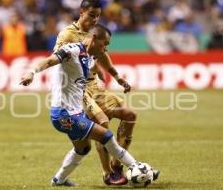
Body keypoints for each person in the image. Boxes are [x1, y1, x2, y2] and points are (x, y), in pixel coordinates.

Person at [20, 24, 154, 186]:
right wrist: (31, 72)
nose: (106, 49)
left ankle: (59, 180)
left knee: (83, 149)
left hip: (75, 112)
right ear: (94, 39)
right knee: (106, 136)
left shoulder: (89, 56)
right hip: (65, 114)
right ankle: (136, 166)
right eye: (105, 44)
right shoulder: (72, 50)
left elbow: (94, 65)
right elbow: (49, 61)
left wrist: (104, 74)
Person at [53, 0, 160, 185]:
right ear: (81, 12)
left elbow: (101, 55)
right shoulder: (67, 35)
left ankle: (119, 166)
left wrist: (116, 76)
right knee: (102, 124)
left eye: (98, 16)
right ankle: (108, 173)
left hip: (96, 87)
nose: (95, 19)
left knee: (129, 115)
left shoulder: (97, 33)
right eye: (91, 15)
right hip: (80, 91)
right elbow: (58, 60)